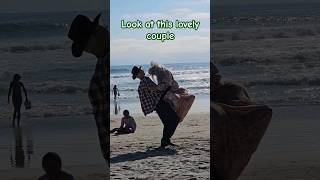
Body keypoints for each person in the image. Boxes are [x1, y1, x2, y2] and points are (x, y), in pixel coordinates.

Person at [211, 63, 272, 180]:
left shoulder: (232, 88)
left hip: (231, 136)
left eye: (214, 78)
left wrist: (222, 108)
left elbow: (244, 108)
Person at [68, 14, 109, 165]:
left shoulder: (103, 64)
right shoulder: (107, 63)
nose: (105, 29)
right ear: (93, 40)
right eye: (98, 29)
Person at [132, 66, 179, 147]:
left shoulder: (143, 82)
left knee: (167, 122)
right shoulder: (145, 80)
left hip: (157, 105)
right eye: (140, 70)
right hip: (160, 103)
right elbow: (157, 90)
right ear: (138, 74)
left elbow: (153, 91)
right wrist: (167, 87)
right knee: (175, 119)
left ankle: (165, 141)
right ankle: (165, 140)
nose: (143, 70)